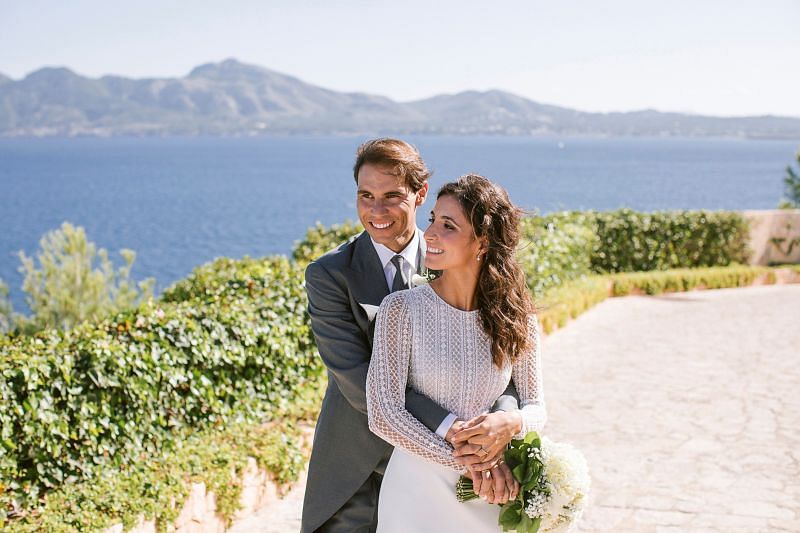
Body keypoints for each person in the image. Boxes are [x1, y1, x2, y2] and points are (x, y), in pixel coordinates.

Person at [301, 140, 523, 532]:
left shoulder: (455, 255)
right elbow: (359, 382)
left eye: (391, 196)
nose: (376, 210)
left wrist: (503, 421)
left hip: (449, 468)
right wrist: (455, 437)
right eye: (365, 195)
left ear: (420, 195)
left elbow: (500, 358)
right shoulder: (330, 275)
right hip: (360, 467)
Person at [366, 174, 547, 531]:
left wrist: (512, 423)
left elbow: (537, 407)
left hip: (488, 494)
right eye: (432, 219)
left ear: (482, 242)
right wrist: (474, 463)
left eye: (447, 225)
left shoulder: (517, 317)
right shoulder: (401, 309)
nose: (429, 233)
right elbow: (383, 413)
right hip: (419, 492)